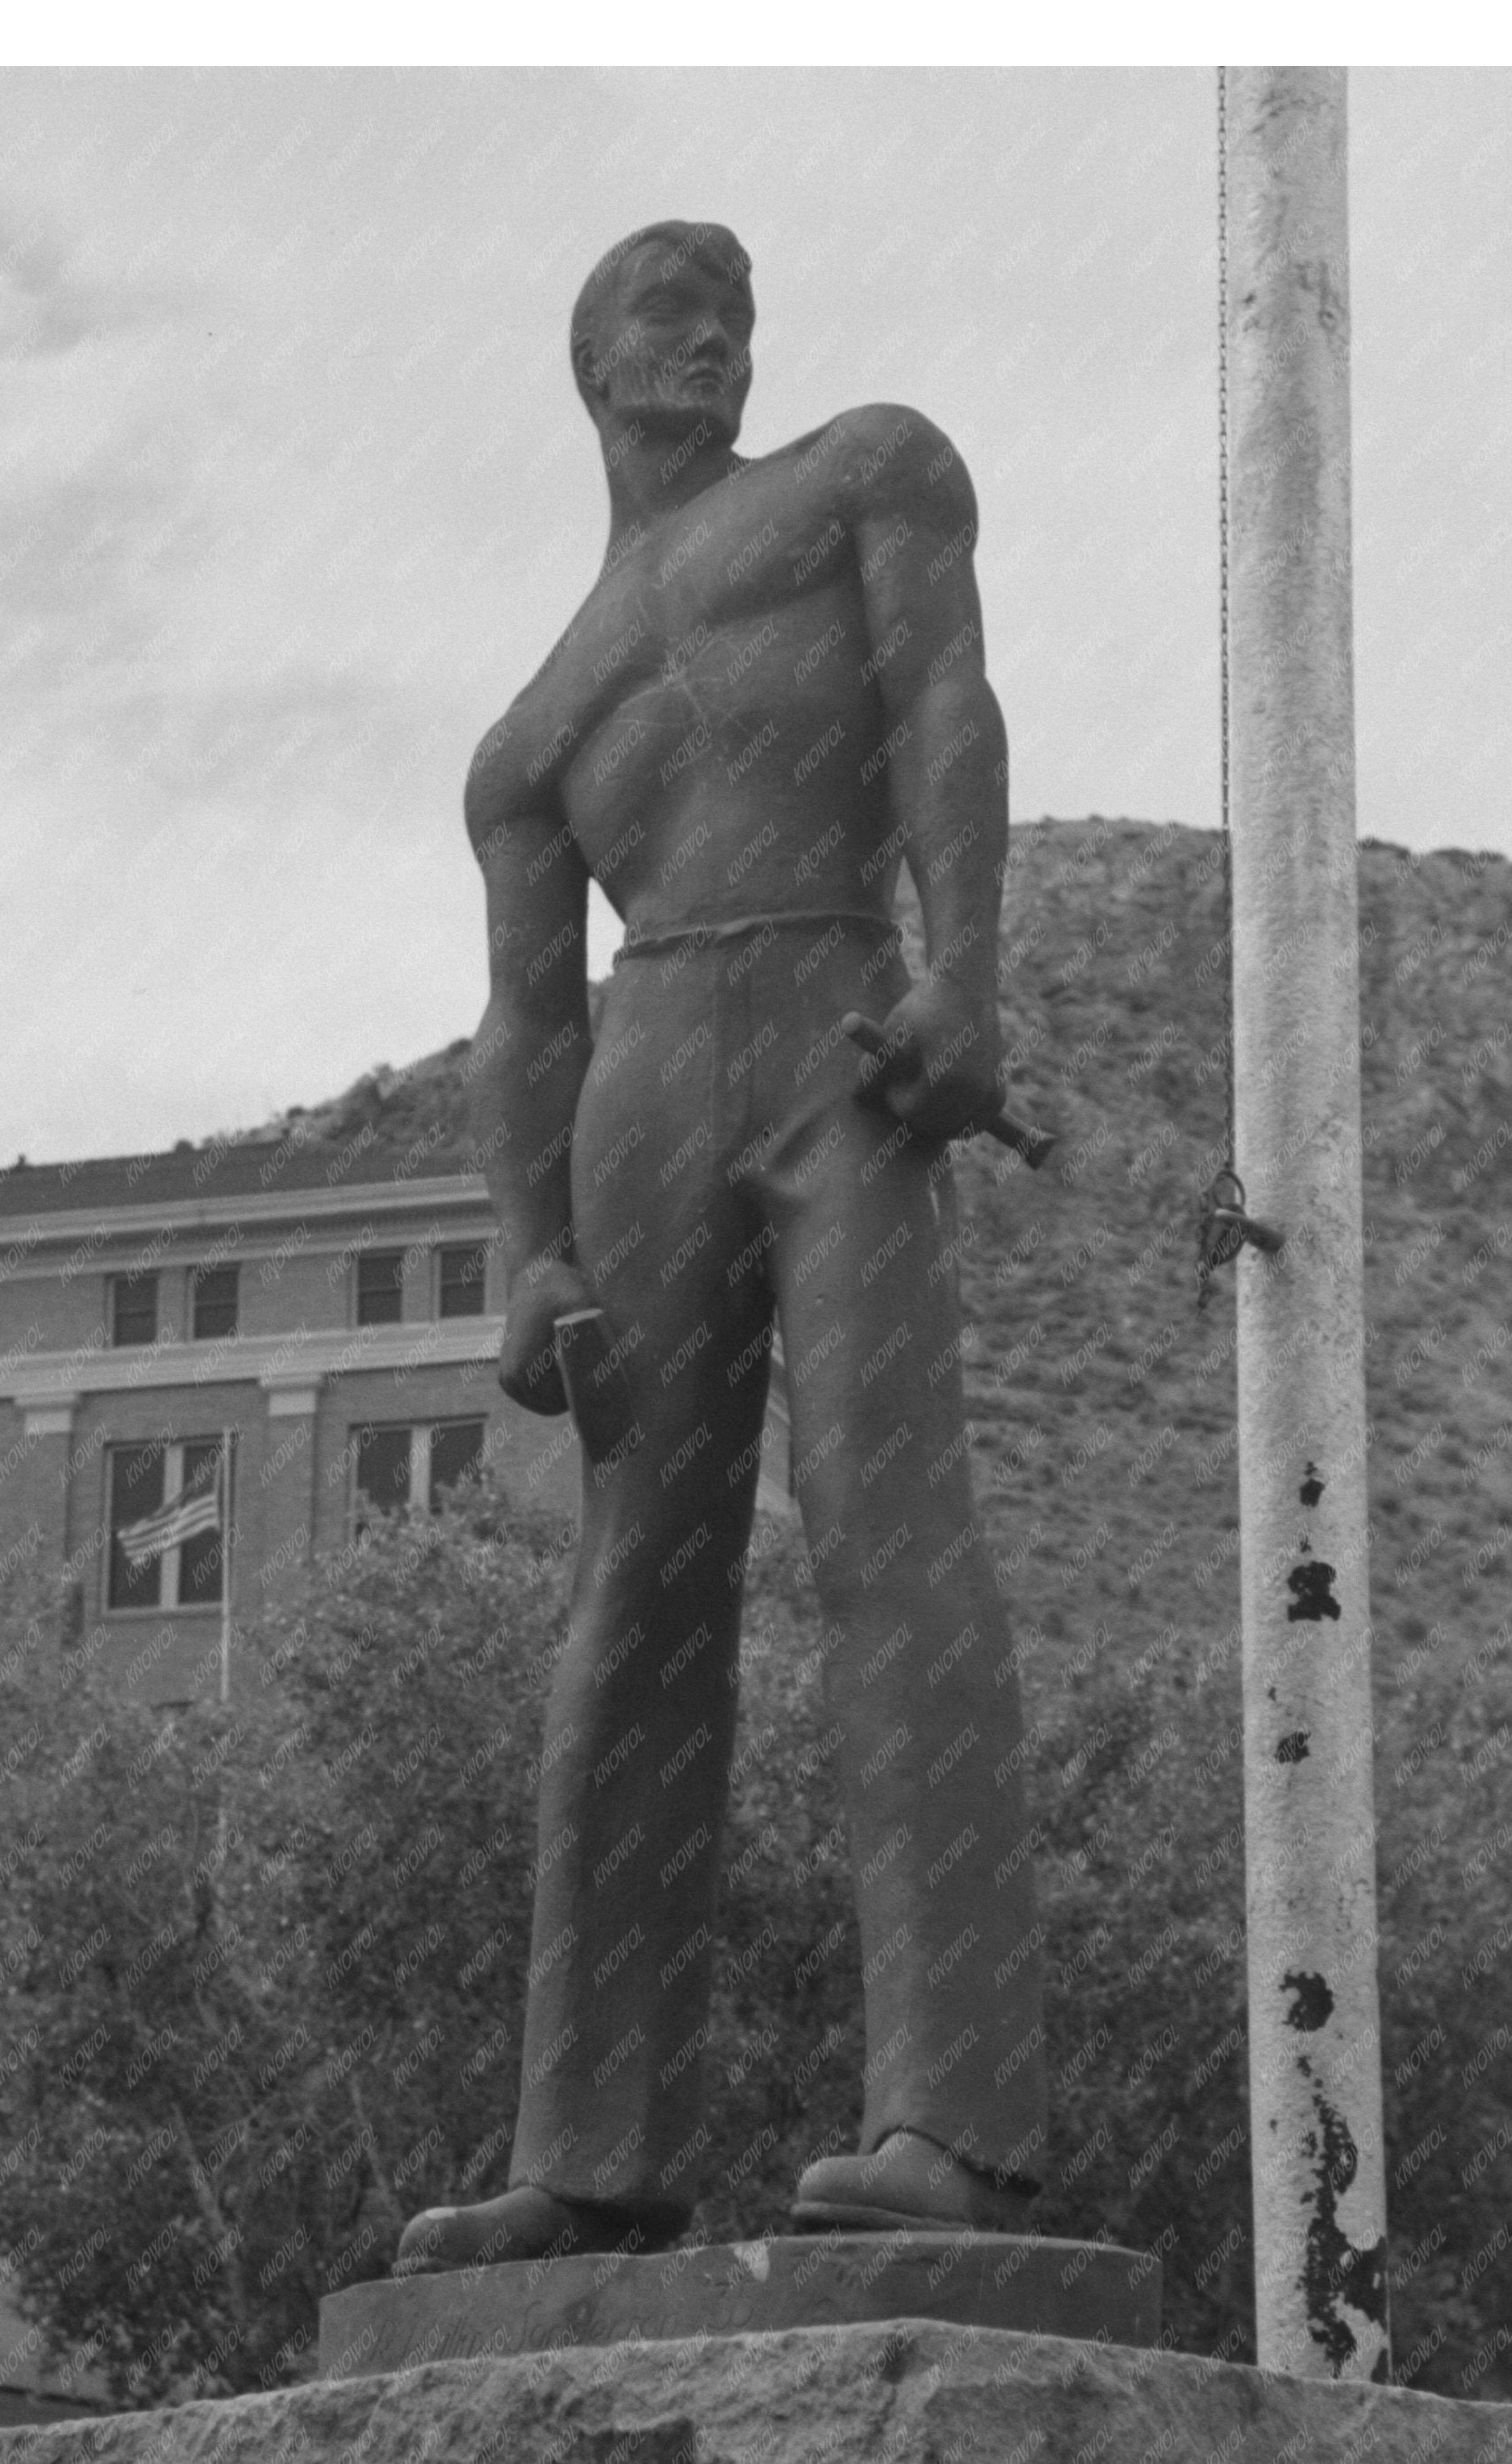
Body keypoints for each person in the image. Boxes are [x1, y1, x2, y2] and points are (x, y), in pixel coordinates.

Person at [395, 221, 1047, 2272]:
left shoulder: (861, 474)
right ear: (585, 363)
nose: (704, 342)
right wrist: (524, 1250)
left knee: (884, 1524)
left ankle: (953, 2112)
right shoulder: (531, 732)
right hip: (649, 1074)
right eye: (662, 316)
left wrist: (970, 980)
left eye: (728, 317)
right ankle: (588, 2147)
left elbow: (946, 691)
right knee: (632, 1601)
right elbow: (528, 1011)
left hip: (837, 1021)